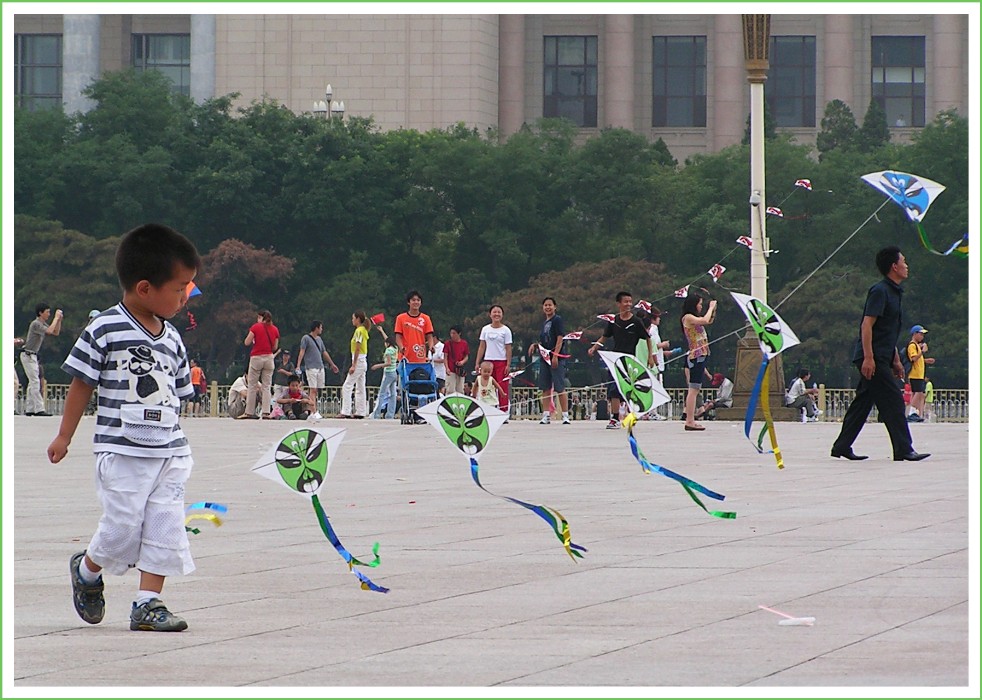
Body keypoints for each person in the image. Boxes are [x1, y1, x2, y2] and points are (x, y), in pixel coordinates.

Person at [46, 222, 201, 632]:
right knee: (121, 529)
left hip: (168, 451)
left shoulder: (173, 339)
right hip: (122, 450)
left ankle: (148, 603)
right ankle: (88, 571)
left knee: (165, 525)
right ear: (146, 288)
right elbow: (81, 382)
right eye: (180, 287)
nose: (186, 296)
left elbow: (180, 393)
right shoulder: (104, 328)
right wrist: (65, 435)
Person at [831, 246, 929, 461]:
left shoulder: (894, 292)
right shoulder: (880, 291)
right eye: (903, 261)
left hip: (883, 355)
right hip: (872, 357)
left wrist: (895, 359)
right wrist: (868, 357)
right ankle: (903, 449)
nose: (906, 265)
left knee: (863, 402)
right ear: (894, 266)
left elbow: (887, 332)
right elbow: (867, 325)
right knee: (894, 400)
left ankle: (841, 446)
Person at [589, 291, 654, 429]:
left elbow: (648, 338)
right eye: (626, 302)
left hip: (630, 361)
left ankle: (632, 415)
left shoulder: (636, 322)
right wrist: (594, 348)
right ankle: (615, 418)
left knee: (631, 390)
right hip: (615, 360)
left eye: (630, 301)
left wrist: (650, 356)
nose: (629, 304)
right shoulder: (614, 321)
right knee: (613, 389)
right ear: (618, 304)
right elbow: (604, 336)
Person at [679, 292, 717, 431]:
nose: (701, 306)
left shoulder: (694, 318)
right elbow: (705, 320)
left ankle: (691, 419)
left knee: (695, 388)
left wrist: (713, 310)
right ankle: (690, 420)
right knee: (693, 389)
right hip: (696, 355)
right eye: (700, 304)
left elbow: (709, 320)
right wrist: (710, 307)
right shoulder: (688, 317)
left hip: (701, 355)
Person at [528, 297, 570, 425]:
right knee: (545, 388)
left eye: (550, 305)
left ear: (555, 307)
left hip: (555, 357)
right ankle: (546, 415)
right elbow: (545, 340)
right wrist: (535, 345)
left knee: (559, 387)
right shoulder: (545, 323)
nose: (547, 307)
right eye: (545, 305)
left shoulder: (557, 320)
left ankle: (565, 415)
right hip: (544, 358)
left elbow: (559, 337)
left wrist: (556, 355)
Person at [22, 302, 64, 416]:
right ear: (40, 313)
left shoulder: (42, 324)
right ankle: (39, 408)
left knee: (32, 382)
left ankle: (30, 409)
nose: (49, 314)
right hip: (27, 354)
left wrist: (59, 320)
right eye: (47, 312)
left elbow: (55, 332)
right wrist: (55, 318)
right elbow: (50, 331)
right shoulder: (36, 324)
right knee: (35, 381)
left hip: (33, 355)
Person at [238, 310, 279, 420]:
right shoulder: (275, 329)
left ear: (261, 318)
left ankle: (249, 412)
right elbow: (275, 347)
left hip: (256, 357)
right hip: (269, 358)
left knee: (252, 385)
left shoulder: (256, 327)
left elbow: (247, 342)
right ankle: (266, 412)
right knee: (266, 386)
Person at [474, 305, 513, 414]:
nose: (496, 314)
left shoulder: (506, 330)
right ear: (490, 314)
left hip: (501, 361)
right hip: (488, 362)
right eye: (494, 312)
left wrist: (508, 364)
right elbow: (482, 346)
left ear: (502, 314)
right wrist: (478, 362)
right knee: (486, 386)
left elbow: (508, 348)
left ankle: (504, 411)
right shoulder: (485, 329)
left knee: (502, 387)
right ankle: (488, 410)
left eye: (499, 312)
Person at [296, 320, 340, 410]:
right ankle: (313, 410)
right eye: (320, 327)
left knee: (317, 390)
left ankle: (313, 408)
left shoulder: (319, 339)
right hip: (311, 367)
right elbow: (302, 351)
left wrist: (332, 364)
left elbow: (324, 352)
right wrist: (298, 365)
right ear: (316, 328)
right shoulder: (306, 338)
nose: (322, 329)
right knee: (313, 389)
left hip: (320, 367)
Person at [339, 311, 370, 418]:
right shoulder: (364, 330)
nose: (352, 320)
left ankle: (345, 411)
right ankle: (361, 411)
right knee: (360, 387)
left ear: (358, 319)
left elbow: (357, 347)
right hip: (363, 360)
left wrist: (353, 364)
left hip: (358, 361)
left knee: (347, 386)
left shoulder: (359, 331)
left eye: (353, 318)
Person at [394, 290, 435, 364]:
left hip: (420, 356)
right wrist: (401, 347)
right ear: (408, 302)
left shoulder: (426, 318)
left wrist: (431, 346)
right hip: (405, 357)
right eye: (413, 300)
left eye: (418, 300)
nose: (416, 302)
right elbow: (398, 336)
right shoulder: (400, 318)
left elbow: (429, 336)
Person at [905, 324, 935, 422]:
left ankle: (915, 413)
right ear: (915, 334)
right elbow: (913, 358)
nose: (922, 336)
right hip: (915, 374)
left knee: (919, 393)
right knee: (918, 392)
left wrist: (925, 360)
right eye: (921, 334)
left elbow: (918, 360)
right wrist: (922, 352)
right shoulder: (912, 345)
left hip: (919, 374)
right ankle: (911, 413)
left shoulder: (917, 346)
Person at [371, 336, 399, 419]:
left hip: (388, 373)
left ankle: (376, 414)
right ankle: (390, 414)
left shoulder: (388, 351)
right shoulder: (395, 349)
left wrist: (378, 366)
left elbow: (388, 363)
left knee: (381, 394)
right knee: (393, 395)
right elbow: (388, 338)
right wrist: (382, 331)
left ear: (387, 343)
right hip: (394, 373)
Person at [443, 326, 470, 395]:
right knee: (450, 389)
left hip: (459, 370)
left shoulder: (464, 344)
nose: (452, 335)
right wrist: (447, 368)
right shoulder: (447, 344)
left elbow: (466, 356)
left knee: (460, 389)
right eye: (451, 333)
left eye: (454, 333)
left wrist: (462, 362)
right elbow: (445, 357)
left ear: (459, 334)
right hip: (451, 369)